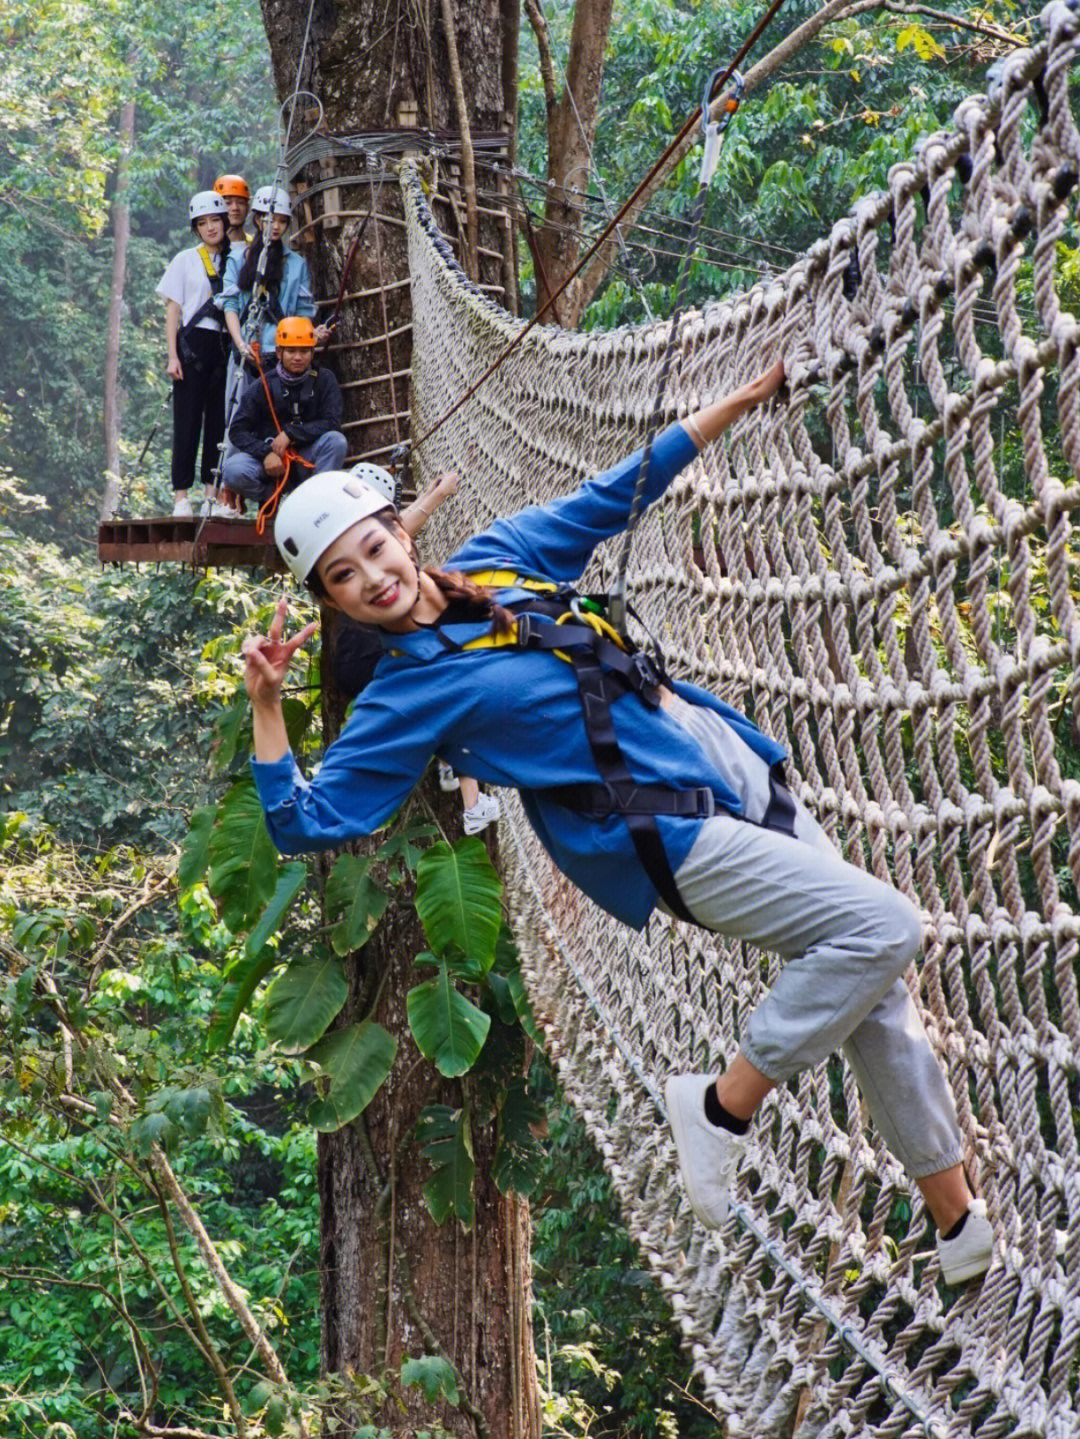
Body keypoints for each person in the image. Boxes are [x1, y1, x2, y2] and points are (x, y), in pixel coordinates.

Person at [241, 360, 994, 1288]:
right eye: (343, 578)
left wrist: (742, 398)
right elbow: (304, 822)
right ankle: (719, 1109)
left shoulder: (501, 556)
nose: (372, 578)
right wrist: (268, 708)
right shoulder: (402, 698)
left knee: (875, 983)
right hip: (660, 831)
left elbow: (617, 493)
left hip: (724, 759)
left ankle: (956, 1225)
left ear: (402, 532)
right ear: (332, 604)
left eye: (373, 549)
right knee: (884, 926)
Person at [324, 463, 501, 837]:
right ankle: (469, 799)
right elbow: (403, 528)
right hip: (364, 657)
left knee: (435, 690)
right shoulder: (368, 542)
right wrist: (438, 494)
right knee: (448, 677)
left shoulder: (342, 553)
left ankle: (452, 769)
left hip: (349, 660)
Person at [156, 190, 234, 518]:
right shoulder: (185, 260)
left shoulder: (235, 260)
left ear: (224, 222)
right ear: (196, 229)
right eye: (202, 223)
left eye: (215, 220)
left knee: (217, 424)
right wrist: (172, 355)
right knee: (187, 423)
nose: (210, 228)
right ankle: (180, 498)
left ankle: (210, 497)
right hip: (191, 346)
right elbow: (173, 311)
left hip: (223, 346)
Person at [221, 316, 347, 506]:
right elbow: (238, 430)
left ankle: (314, 503)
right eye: (291, 351)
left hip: (306, 457)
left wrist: (291, 433)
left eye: (304, 351)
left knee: (336, 442)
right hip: (270, 462)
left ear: (312, 353)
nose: (298, 357)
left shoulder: (324, 379)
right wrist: (265, 453)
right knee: (232, 469)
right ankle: (274, 499)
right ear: (279, 352)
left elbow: (332, 421)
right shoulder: (263, 385)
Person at [222, 186, 330, 365]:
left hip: (282, 351)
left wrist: (309, 335)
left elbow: (303, 311)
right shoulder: (237, 259)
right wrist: (240, 344)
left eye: (282, 221)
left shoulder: (296, 264)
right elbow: (230, 305)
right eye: (271, 219)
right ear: (258, 219)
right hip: (245, 350)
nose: (276, 226)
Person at [214, 174, 252, 248]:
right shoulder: (208, 249)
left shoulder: (256, 247)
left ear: (248, 207)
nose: (235, 208)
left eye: (241, 202)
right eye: (228, 203)